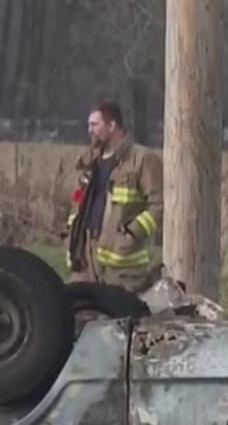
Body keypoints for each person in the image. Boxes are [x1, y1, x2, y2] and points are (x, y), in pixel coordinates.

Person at [64, 101, 163, 293]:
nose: (89, 130)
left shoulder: (142, 159)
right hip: (85, 261)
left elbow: (159, 206)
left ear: (111, 125)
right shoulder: (89, 161)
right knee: (76, 307)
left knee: (120, 311)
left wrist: (131, 234)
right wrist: (70, 235)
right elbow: (78, 204)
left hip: (122, 268)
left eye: (94, 124)